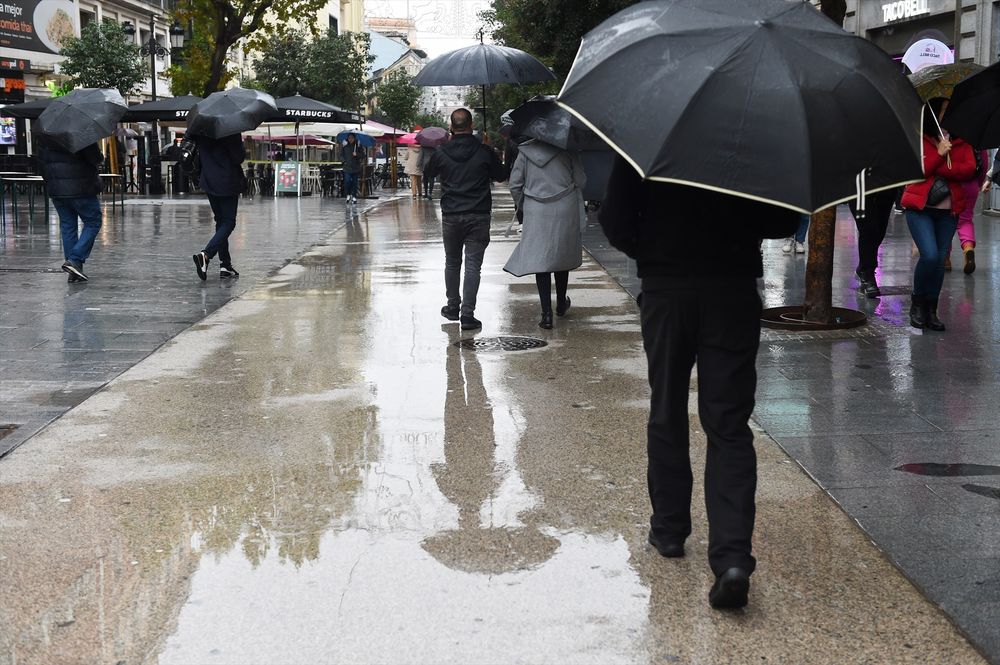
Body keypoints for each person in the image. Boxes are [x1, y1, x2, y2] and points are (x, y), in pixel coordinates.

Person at [599, 155, 799, 610]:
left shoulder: (648, 137)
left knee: (667, 407)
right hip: (731, 290)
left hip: (667, 290)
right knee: (728, 424)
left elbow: (614, 220)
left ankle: (669, 530)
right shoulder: (755, 137)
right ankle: (731, 558)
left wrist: (651, 250)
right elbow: (783, 219)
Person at [423, 108, 507, 331]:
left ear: (451, 127)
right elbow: (501, 176)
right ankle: (467, 314)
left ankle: (452, 306)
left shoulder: (441, 152)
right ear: (471, 126)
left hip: (451, 215)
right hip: (478, 214)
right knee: (472, 266)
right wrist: (490, 151)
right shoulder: (483, 150)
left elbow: (428, 173)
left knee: (452, 262)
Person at [900, 98, 976, 331]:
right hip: (919, 209)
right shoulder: (921, 139)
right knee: (930, 256)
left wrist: (941, 165)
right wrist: (940, 154)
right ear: (934, 114)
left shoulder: (962, 140)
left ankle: (931, 310)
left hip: (948, 212)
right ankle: (917, 302)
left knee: (939, 262)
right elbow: (917, 170)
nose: (949, 114)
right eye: (944, 110)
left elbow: (969, 169)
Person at [504, 138, 587, 329]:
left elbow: (515, 185)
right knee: (560, 254)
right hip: (564, 207)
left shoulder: (525, 152)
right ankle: (560, 303)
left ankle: (546, 314)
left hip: (536, 209)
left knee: (540, 260)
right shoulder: (568, 149)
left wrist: (526, 206)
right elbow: (581, 180)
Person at [36, 136, 104, 282]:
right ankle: (75, 259)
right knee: (93, 222)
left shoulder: (45, 137)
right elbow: (95, 158)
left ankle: (74, 268)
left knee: (68, 226)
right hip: (81, 188)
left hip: (57, 190)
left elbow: (41, 165)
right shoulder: (82, 134)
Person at [192, 133, 246, 281]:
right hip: (227, 180)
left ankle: (225, 265)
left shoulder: (203, 127)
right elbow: (238, 157)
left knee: (221, 221)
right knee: (229, 222)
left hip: (208, 180)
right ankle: (206, 255)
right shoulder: (230, 129)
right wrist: (241, 146)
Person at [848, 188, 898, 298]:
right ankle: (867, 273)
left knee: (879, 231)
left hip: (885, 186)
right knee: (868, 230)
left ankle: (863, 268)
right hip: (860, 186)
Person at [948, 147, 990, 275]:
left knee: (946, 219)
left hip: (950, 183)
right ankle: (968, 248)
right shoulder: (976, 139)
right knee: (965, 220)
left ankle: (945, 257)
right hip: (971, 183)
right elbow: (984, 162)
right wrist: (978, 183)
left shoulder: (947, 136)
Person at [342, 133, 365, 204]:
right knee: (347, 182)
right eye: (349, 138)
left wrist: (357, 154)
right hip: (347, 168)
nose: (350, 139)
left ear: (354, 138)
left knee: (355, 183)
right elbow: (341, 155)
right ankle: (348, 194)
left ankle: (354, 196)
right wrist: (344, 161)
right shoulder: (345, 147)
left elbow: (363, 155)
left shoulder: (358, 146)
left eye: (352, 138)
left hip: (355, 168)